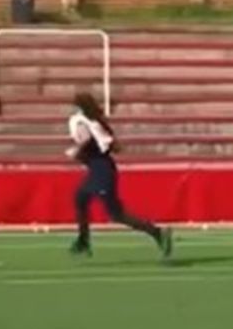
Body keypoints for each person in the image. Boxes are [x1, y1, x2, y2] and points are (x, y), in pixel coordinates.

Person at [65, 93, 173, 258]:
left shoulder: (83, 121)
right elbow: (111, 145)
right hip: (101, 168)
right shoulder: (95, 122)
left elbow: (87, 140)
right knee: (80, 199)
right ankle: (83, 240)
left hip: (101, 170)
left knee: (116, 214)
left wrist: (77, 152)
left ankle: (157, 232)